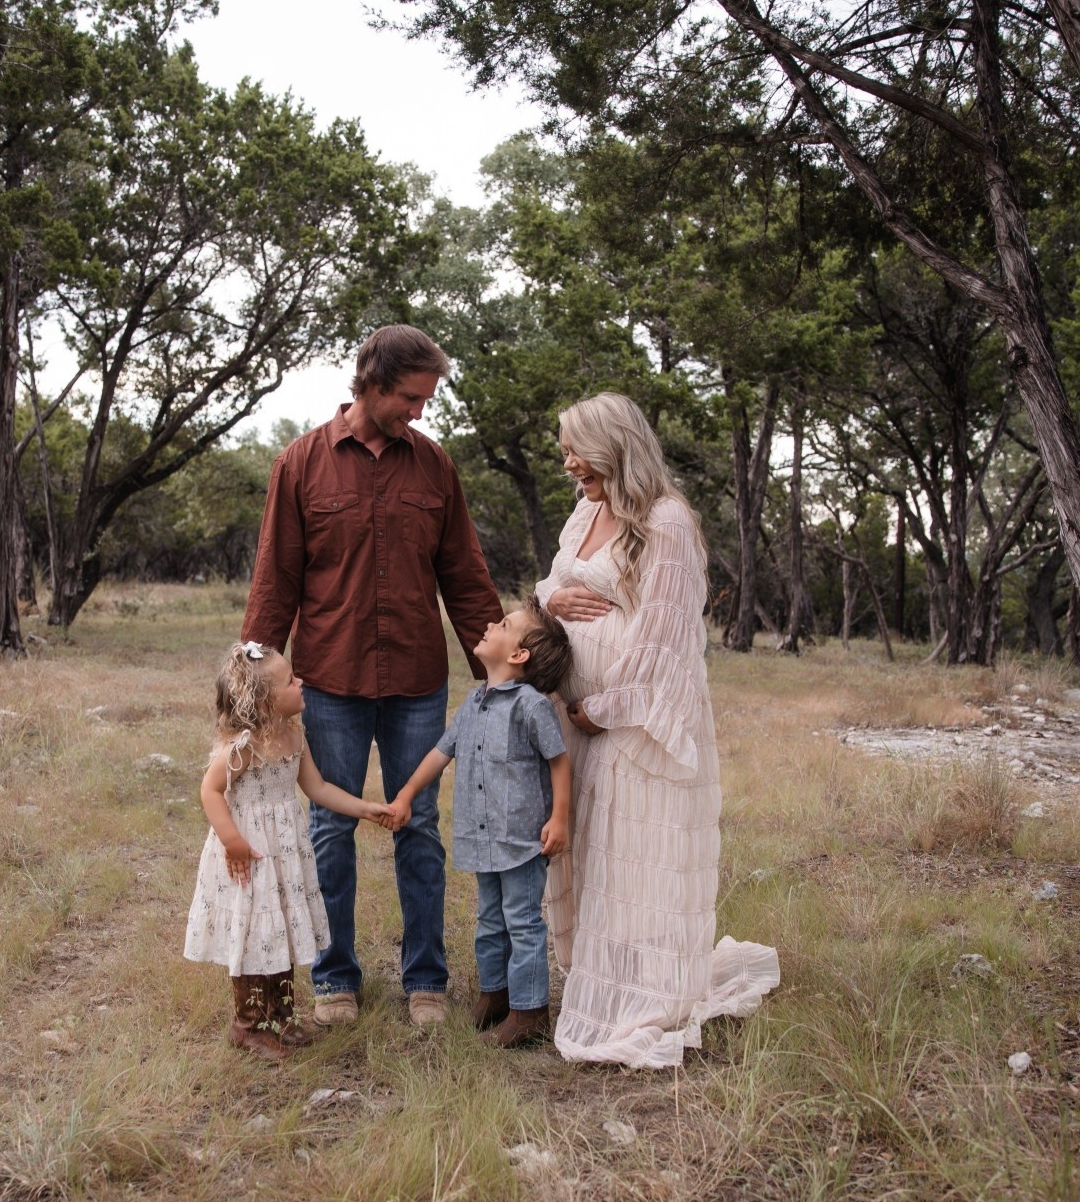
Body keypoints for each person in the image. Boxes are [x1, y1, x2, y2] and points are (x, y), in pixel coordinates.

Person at [242, 325, 505, 1028]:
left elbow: (467, 578)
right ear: (374, 385)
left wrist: (503, 674)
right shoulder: (300, 464)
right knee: (331, 828)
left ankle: (425, 980)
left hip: (418, 679)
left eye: (427, 400)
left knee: (418, 823)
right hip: (329, 680)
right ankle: (335, 980)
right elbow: (275, 582)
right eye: (412, 398)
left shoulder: (435, 467)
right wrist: (251, 683)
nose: (420, 412)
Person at [536, 392, 781, 1068]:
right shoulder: (586, 510)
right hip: (576, 720)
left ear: (616, 445)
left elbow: (667, 640)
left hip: (632, 725)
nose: (567, 463)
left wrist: (603, 710)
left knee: (632, 864)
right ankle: (603, 977)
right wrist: (550, 601)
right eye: (564, 450)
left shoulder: (666, 522)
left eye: (576, 448)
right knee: (591, 859)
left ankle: (640, 999)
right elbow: (548, 589)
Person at [184, 641, 395, 1059]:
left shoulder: (294, 735)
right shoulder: (243, 746)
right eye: (291, 681)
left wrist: (365, 807)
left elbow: (317, 788)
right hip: (250, 851)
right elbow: (210, 790)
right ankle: (248, 1025)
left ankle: (280, 1015)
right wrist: (233, 841)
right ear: (265, 701)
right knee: (254, 930)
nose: (302, 685)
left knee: (277, 925)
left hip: (283, 851)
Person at [384, 601, 575, 1047]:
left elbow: (559, 762)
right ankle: (496, 996)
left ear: (519, 656)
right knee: (489, 919)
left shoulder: (531, 706)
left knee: (522, 921)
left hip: (523, 838)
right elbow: (440, 752)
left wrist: (559, 819)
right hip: (483, 836)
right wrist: (407, 794)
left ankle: (530, 1013)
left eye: (504, 625)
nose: (490, 623)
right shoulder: (474, 703)